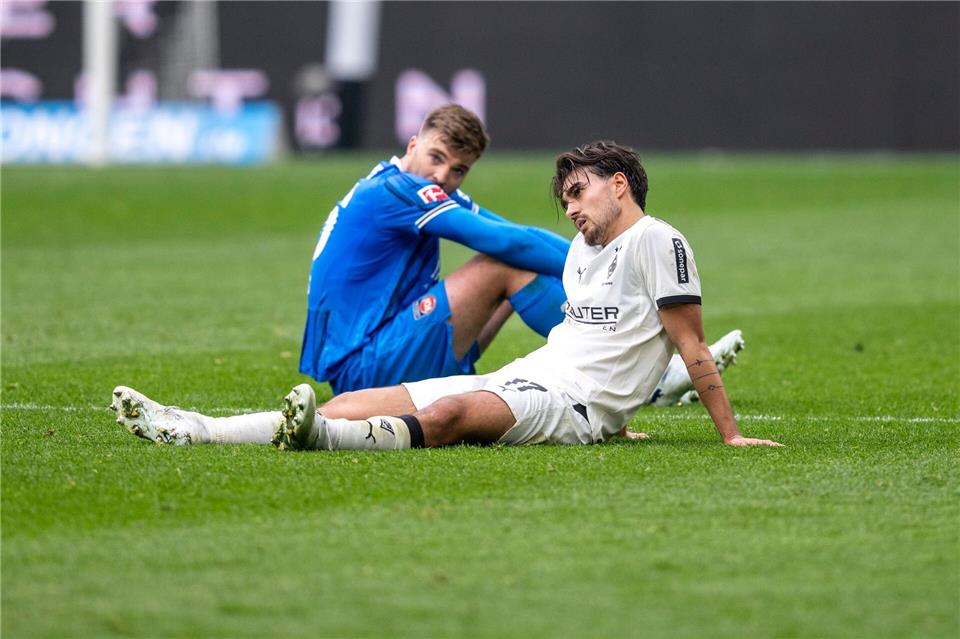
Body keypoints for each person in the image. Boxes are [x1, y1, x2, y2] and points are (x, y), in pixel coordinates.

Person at [111, 141, 779, 449]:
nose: (569, 208)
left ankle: (318, 440)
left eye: (578, 192)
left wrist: (733, 436)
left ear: (620, 185)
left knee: (456, 411)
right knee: (350, 402)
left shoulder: (660, 240)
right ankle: (196, 428)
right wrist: (628, 399)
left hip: (568, 405)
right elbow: (593, 335)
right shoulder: (581, 252)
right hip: (530, 374)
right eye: (565, 197)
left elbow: (689, 341)